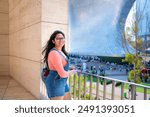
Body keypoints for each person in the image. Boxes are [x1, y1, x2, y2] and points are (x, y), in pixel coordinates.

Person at [42, 30, 77, 100]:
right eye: (58, 38)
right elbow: (63, 74)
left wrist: (69, 67)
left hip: (62, 82)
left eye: (62, 38)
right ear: (53, 41)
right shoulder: (54, 53)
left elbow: (59, 65)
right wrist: (75, 71)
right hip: (55, 82)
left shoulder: (61, 52)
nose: (60, 40)